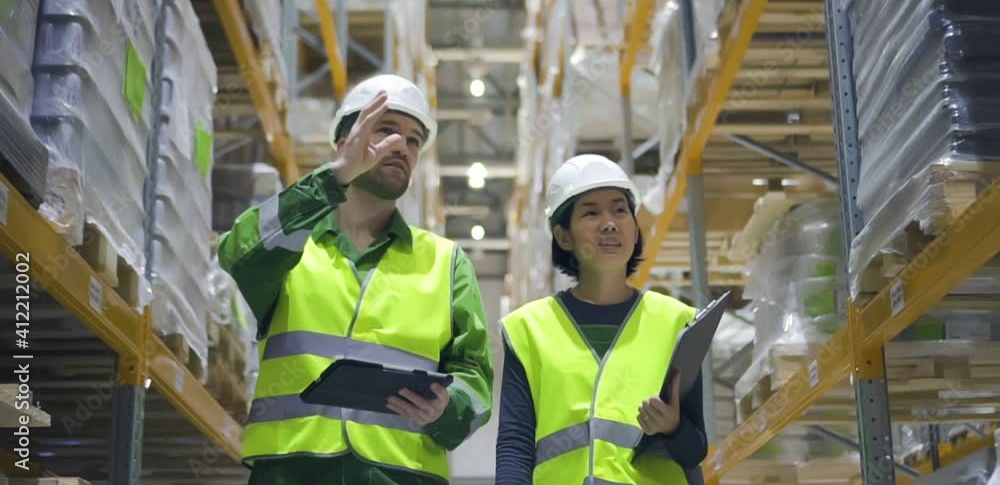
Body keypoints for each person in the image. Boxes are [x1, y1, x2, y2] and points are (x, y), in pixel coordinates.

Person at [217, 74, 494, 485]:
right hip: (293, 472)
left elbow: (475, 376)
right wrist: (335, 176)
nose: (402, 146)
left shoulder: (446, 262)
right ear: (345, 141)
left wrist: (447, 409)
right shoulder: (294, 246)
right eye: (386, 130)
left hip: (402, 475)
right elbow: (237, 251)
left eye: (414, 140)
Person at [495, 154, 708, 485]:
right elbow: (515, 447)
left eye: (620, 210)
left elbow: (695, 450)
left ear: (635, 230)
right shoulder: (529, 330)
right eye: (591, 212)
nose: (609, 223)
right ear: (564, 237)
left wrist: (672, 428)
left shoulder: (677, 322)